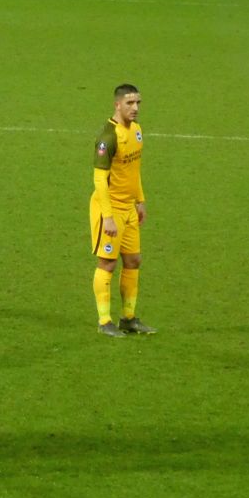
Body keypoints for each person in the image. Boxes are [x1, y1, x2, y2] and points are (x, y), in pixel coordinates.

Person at [90, 84, 154, 338]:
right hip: (110, 209)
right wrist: (107, 217)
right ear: (117, 104)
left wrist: (140, 200)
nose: (135, 108)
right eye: (130, 103)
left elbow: (133, 171)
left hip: (128, 208)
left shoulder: (136, 132)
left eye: (138, 103)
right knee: (107, 262)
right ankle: (105, 321)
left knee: (133, 260)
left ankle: (128, 318)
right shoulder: (108, 138)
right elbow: (99, 180)